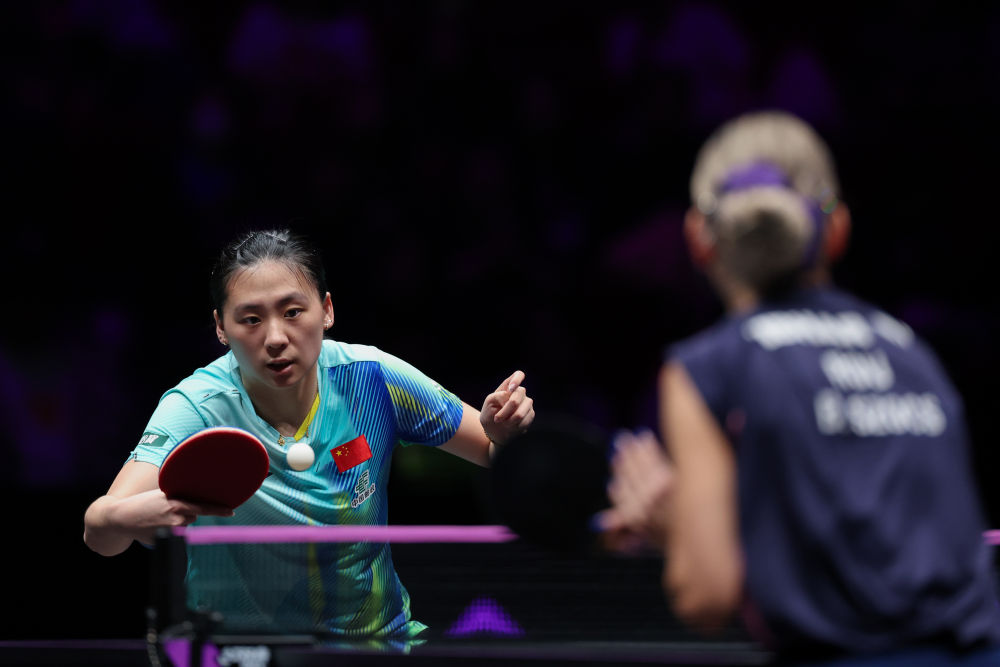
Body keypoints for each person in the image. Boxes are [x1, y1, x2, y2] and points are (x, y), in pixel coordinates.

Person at [602, 111, 1000, 665]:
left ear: (699, 237)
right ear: (836, 231)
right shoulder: (913, 354)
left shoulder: (707, 367)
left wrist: (684, 533)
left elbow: (707, 596)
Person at [83, 228, 534, 641]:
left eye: (293, 312)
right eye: (251, 319)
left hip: (376, 645)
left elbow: (495, 453)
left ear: (327, 310)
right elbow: (99, 532)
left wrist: (505, 435)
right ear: (221, 327)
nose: (275, 337)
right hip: (239, 651)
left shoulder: (372, 378)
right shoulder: (198, 407)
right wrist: (119, 519)